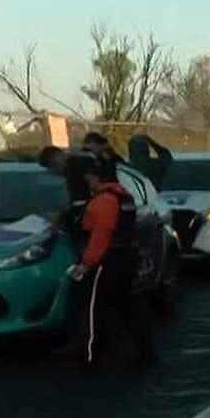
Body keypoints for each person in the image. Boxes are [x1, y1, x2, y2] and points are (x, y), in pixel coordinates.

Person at [70, 153, 157, 367]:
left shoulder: (103, 201)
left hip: (108, 261)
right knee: (128, 307)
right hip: (126, 258)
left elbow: (101, 234)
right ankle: (145, 352)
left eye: (90, 177)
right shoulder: (124, 196)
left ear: (97, 178)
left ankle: (90, 355)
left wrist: (86, 264)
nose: (87, 181)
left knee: (95, 309)